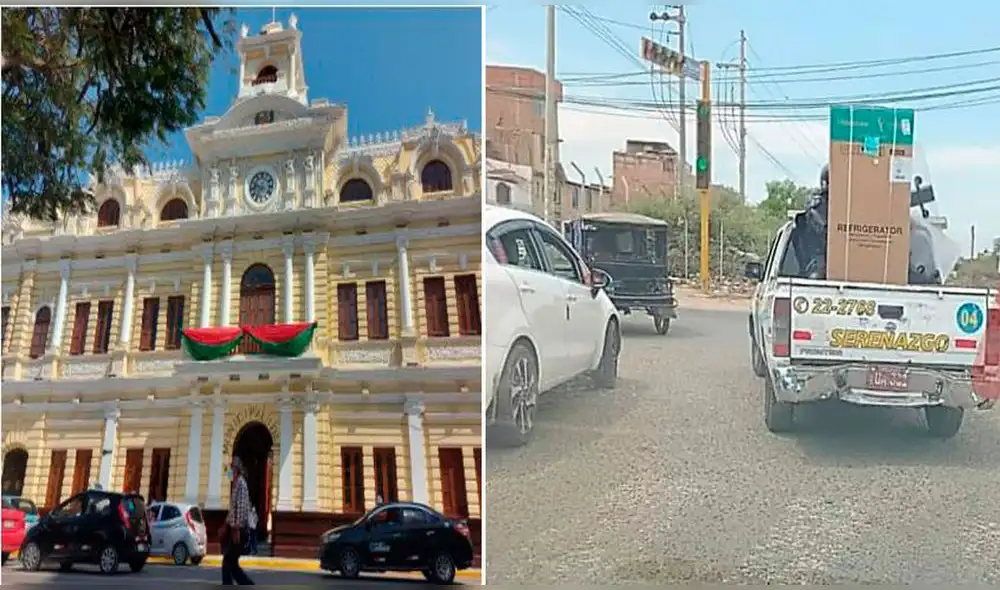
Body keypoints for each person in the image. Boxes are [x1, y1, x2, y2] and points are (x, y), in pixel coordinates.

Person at [219, 456, 255, 585]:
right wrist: (224, 525)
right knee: (232, 563)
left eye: (232, 468)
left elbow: (240, 508)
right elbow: (233, 510)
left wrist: (236, 529)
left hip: (240, 530)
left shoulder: (241, 484)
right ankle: (247, 584)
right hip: (236, 528)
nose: (230, 470)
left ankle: (228, 585)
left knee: (228, 561)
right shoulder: (235, 485)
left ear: (237, 469)